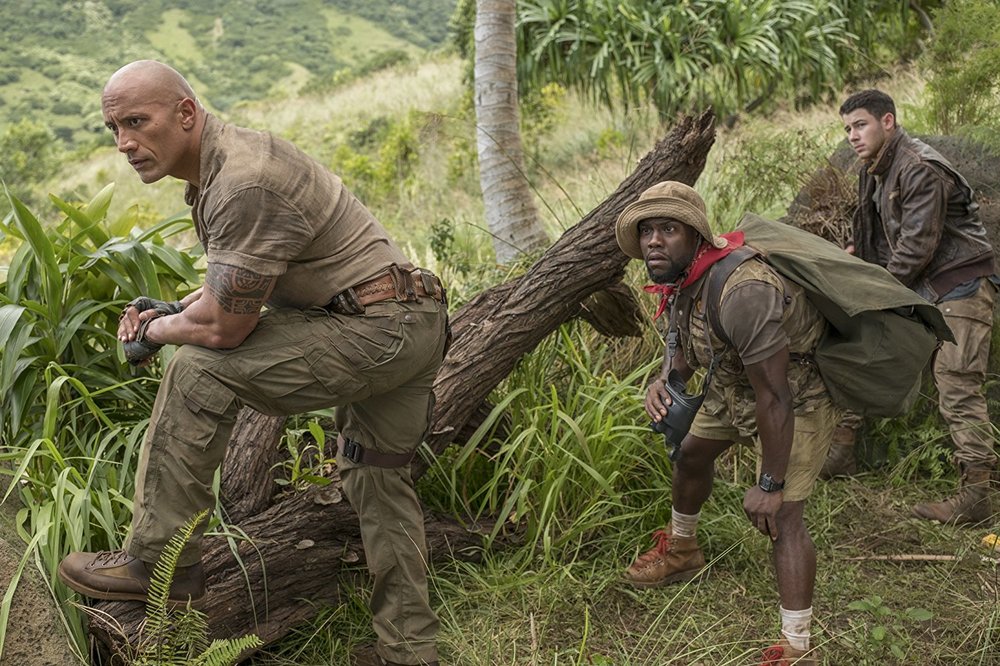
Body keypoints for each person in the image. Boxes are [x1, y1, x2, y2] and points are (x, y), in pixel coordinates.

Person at [57, 60, 447, 666]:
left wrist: (156, 331)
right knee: (376, 476)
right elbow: (240, 286)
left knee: (197, 369)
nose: (124, 143)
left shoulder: (242, 182)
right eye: (113, 128)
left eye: (137, 121)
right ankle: (411, 649)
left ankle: (161, 564)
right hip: (408, 320)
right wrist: (172, 308)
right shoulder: (225, 165)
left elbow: (223, 326)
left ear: (185, 113)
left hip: (375, 333)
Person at [616, 181, 840, 665]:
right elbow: (682, 353)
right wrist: (663, 382)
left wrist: (769, 483)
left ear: (696, 235)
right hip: (734, 386)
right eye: (647, 230)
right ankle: (682, 551)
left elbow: (775, 394)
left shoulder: (744, 291)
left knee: (782, 518)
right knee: (691, 454)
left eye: (668, 229)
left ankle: (797, 647)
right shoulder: (680, 282)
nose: (654, 240)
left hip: (795, 396)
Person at [833, 89, 997, 524]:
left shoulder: (919, 166)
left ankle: (978, 495)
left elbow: (916, 249)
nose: (852, 135)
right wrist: (859, 265)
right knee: (864, 351)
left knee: (957, 383)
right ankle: (841, 450)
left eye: (861, 124)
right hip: (921, 288)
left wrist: (870, 292)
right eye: (847, 128)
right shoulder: (876, 169)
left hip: (958, 284)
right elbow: (878, 239)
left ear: (888, 121)